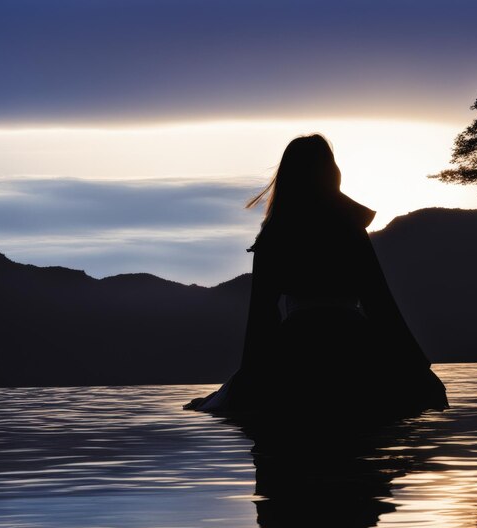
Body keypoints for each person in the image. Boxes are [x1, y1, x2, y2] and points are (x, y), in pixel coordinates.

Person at [184, 134, 447, 418]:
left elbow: (261, 314)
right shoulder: (350, 229)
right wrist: (415, 365)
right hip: (356, 345)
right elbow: (379, 302)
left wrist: (248, 377)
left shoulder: (275, 236)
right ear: (332, 174)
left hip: (296, 349)